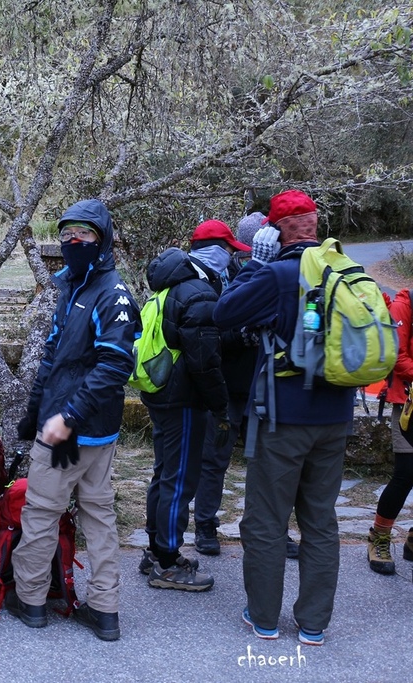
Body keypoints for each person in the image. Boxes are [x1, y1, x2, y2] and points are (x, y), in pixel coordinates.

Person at [214, 189, 354, 646]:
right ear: (314, 223)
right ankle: (314, 624)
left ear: (274, 231)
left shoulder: (276, 274)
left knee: (266, 521)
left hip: (283, 421)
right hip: (335, 419)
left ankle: (265, 618)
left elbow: (224, 312)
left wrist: (255, 263)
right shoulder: (345, 272)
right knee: (320, 520)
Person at [7, 199, 140, 641]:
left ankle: (37, 602)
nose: (73, 242)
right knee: (89, 515)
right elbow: (52, 356)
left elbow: (115, 366)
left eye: (83, 234)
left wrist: (67, 416)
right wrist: (33, 413)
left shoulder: (112, 294)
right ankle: (91, 609)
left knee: (50, 514)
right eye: (66, 235)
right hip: (60, 422)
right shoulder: (73, 287)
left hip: (82, 431)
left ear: (102, 240)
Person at [137, 220, 231, 591]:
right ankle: (167, 562)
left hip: (161, 394)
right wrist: (220, 406)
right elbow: (204, 361)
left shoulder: (170, 287)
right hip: (186, 400)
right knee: (180, 481)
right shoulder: (199, 292)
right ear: (215, 253)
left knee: (164, 473)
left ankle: (154, 549)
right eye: (228, 252)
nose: (229, 260)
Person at [192, 216, 256, 555]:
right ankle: (205, 526)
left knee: (265, 465)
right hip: (229, 386)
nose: (245, 257)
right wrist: (244, 337)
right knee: (215, 459)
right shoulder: (216, 281)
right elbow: (211, 335)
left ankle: (264, 528)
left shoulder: (274, 280)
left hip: (262, 388)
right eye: (241, 251)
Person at [367, 286, 412, 574]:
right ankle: (379, 538)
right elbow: (397, 355)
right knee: (406, 474)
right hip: (409, 405)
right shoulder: (405, 304)